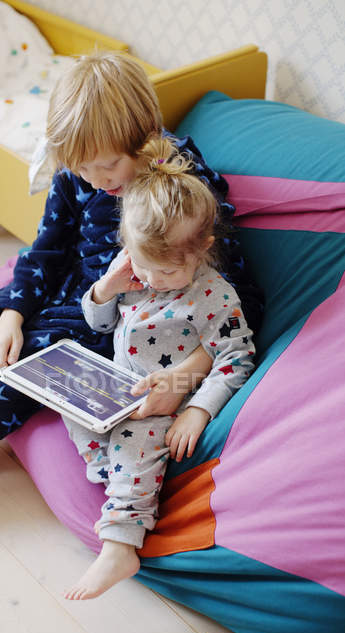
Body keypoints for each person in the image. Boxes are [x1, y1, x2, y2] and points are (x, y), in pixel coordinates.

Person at [0, 51, 262, 480]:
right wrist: (10, 318)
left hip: (111, 328)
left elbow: (236, 301)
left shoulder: (181, 190)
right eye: (82, 168)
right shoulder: (75, 177)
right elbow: (44, 253)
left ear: (145, 137)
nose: (96, 179)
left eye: (109, 165)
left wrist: (183, 378)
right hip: (73, 296)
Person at [62, 135, 255, 600]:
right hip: (118, 387)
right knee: (68, 400)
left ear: (203, 248)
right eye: (145, 268)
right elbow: (97, 323)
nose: (152, 282)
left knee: (137, 435)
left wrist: (197, 409)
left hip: (163, 405)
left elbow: (237, 357)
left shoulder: (213, 296)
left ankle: (120, 543)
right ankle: (119, 474)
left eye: (167, 274)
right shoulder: (134, 269)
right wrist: (106, 289)